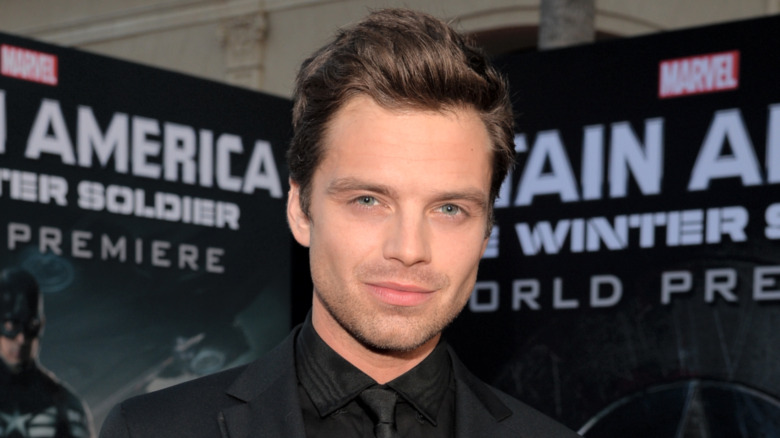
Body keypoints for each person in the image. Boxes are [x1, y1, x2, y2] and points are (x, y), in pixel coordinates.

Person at [100, 8, 580, 438]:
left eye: (449, 209)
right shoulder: (153, 430)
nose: (409, 248)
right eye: (369, 200)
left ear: (486, 231)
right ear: (301, 209)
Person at [0, 267, 95, 438]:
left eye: (31, 326)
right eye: (12, 325)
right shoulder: (64, 403)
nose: (21, 339)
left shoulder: (64, 404)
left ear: (40, 325)